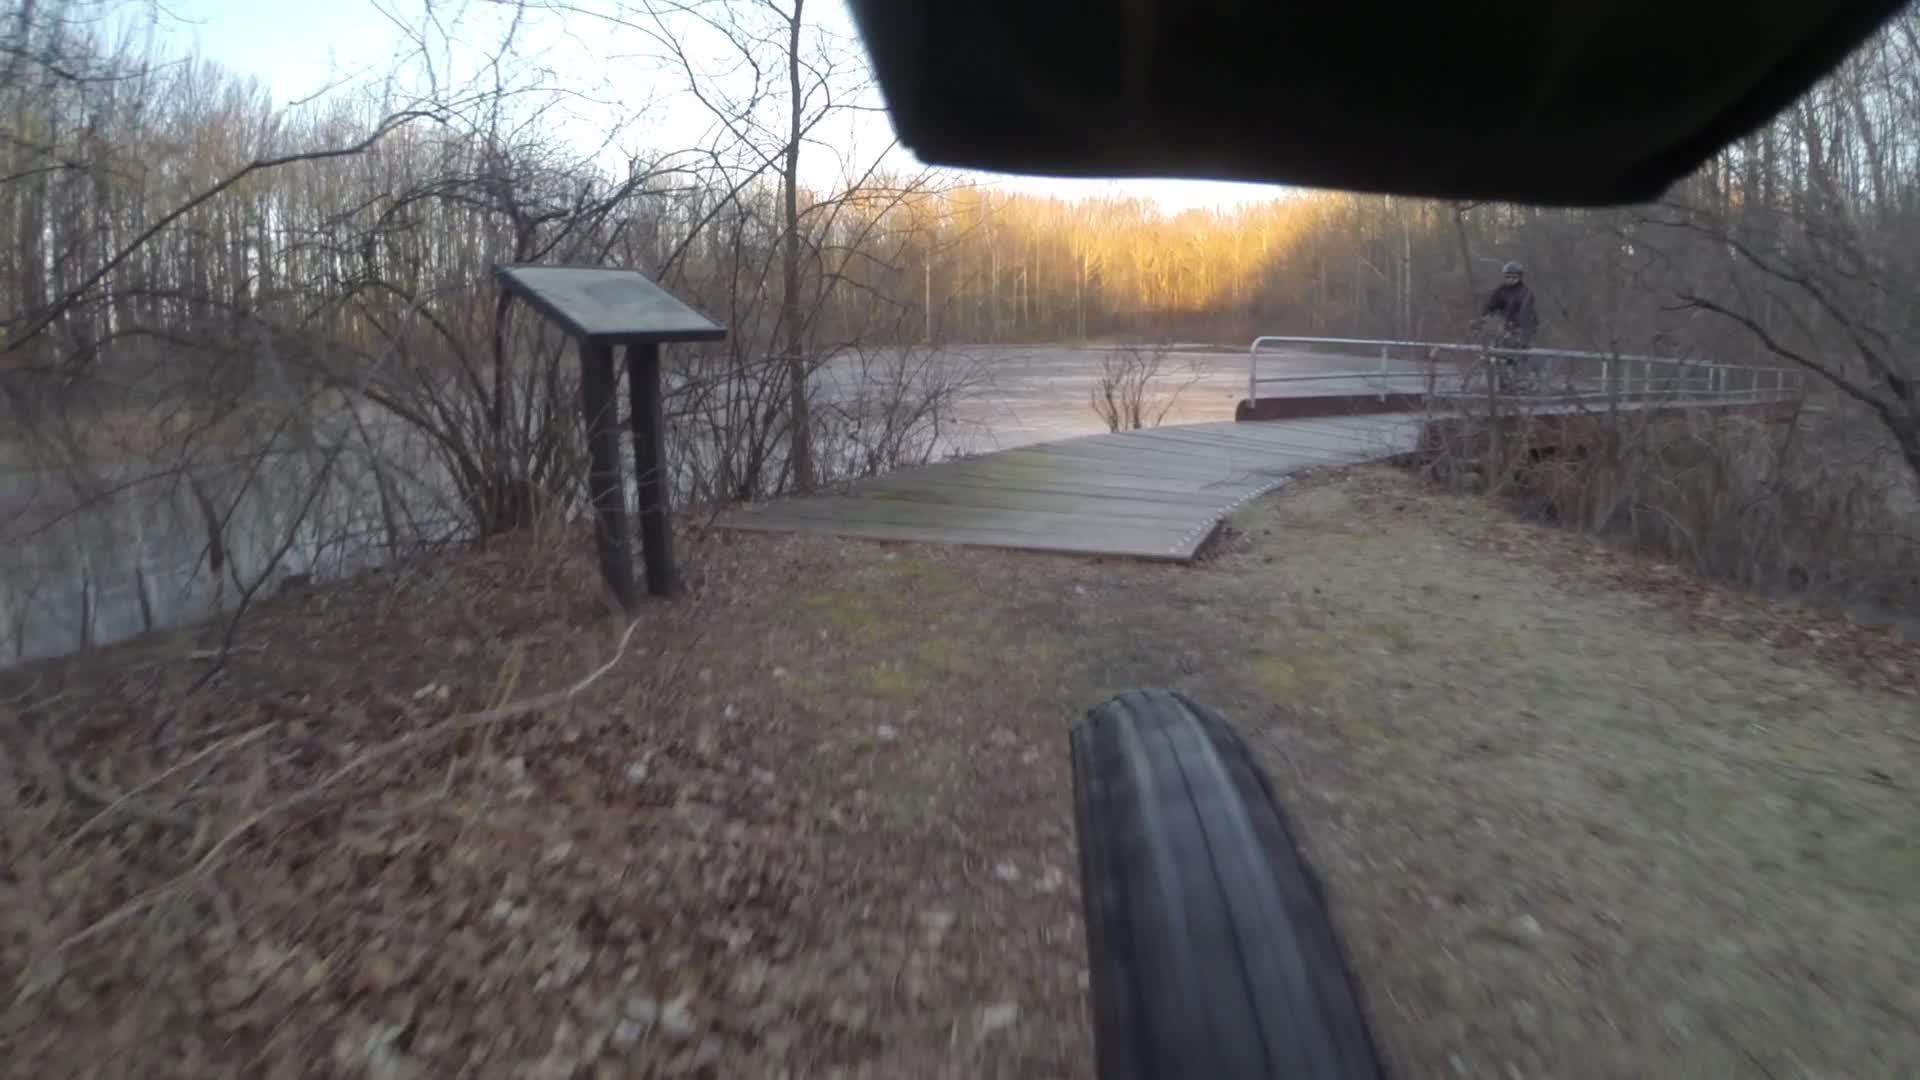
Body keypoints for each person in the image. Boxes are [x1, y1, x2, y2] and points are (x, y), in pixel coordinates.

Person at [1478, 260, 1539, 351]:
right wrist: (1484, 317)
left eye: (1514, 277)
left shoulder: (1525, 293)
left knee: (1515, 349)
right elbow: (1491, 304)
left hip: (1521, 327)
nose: (1510, 279)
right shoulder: (1501, 290)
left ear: (1519, 277)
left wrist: (1517, 326)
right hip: (1504, 327)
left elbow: (1526, 312)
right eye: (1508, 277)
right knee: (1493, 344)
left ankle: (1520, 352)